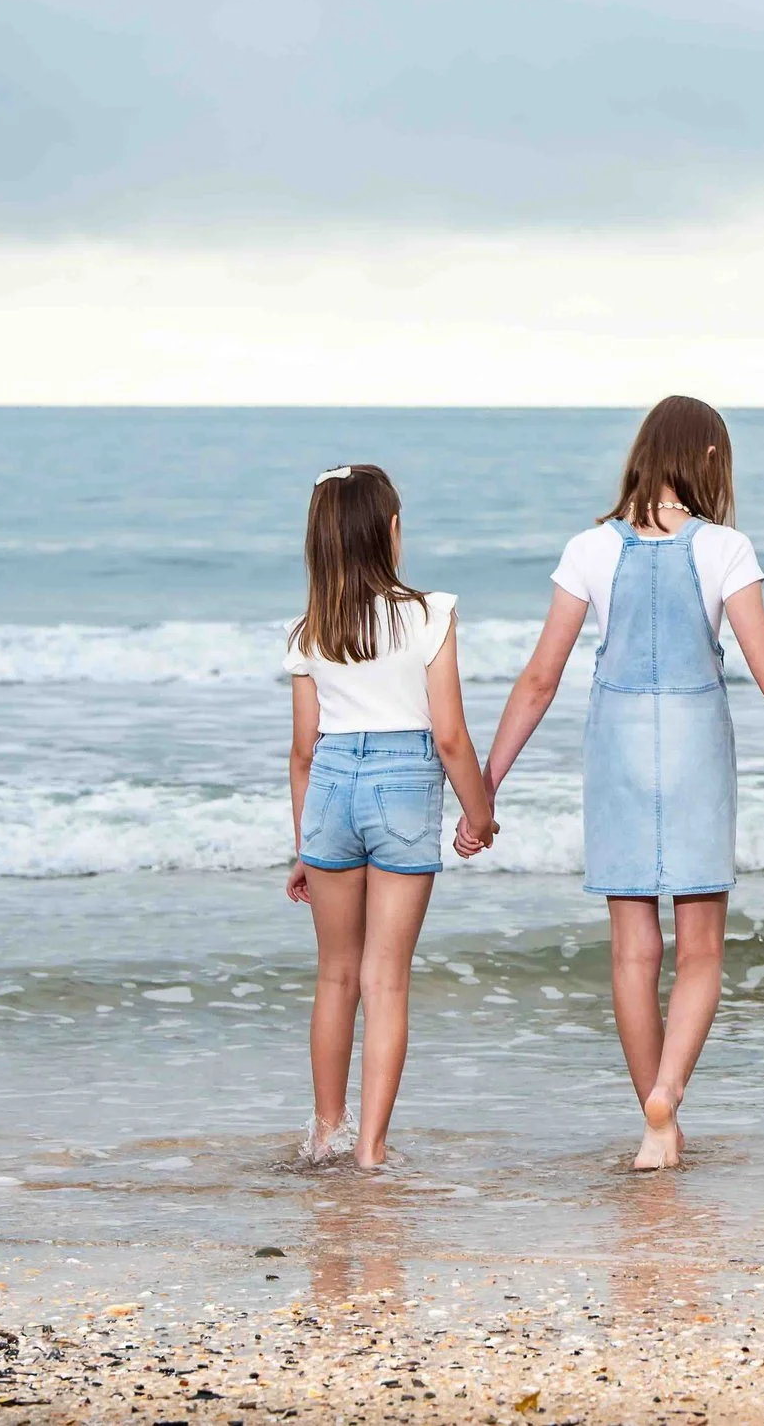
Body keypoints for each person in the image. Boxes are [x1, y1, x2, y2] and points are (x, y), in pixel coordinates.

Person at [470, 397, 764, 1170]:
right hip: (694, 744)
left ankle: (653, 1115)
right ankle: (669, 1093)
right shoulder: (724, 548)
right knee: (702, 948)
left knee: (631, 950)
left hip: (615, 745)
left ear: (644, 454)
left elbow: (540, 678)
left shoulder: (587, 548)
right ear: (710, 459)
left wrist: (484, 788)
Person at [284, 464, 496, 1169]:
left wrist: (303, 844)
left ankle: (324, 1133)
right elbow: (450, 736)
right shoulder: (431, 612)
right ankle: (370, 1150)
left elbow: (302, 751)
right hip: (403, 783)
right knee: (386, 979)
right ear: (391, 531)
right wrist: (480, 812)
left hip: (332, 789)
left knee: (335, 975)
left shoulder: (309, 629)